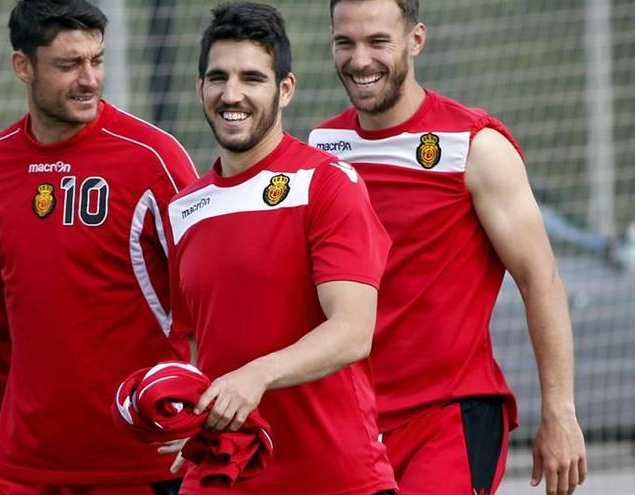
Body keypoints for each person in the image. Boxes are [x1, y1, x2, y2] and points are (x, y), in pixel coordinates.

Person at [308, 1, 588, 494]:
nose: (359, 60)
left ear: (416, 40)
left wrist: (560, 412)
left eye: (378, 42)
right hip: (350, 422)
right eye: (344, 43)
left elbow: (539, 280)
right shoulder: (320, 148)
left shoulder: (474, 145)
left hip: (450, 417)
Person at [163, 3, 398, 494]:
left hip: (334, 478)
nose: (232, 94)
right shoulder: (185, 208)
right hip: (226, 473)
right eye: (218, 77)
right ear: (198, 88)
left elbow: (354, 331)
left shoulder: (328, 184)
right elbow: (197, 346)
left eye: (252, 78)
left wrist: (255, 377)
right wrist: (186, 414)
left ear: (284, 89)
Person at [0, 1, 198, 493]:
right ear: (22, 66)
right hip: (25, 464)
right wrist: (5, 422)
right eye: (69, 64)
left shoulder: (153, 159)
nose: (89, 79)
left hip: (141, 462)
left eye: (96, 60)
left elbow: (206, 299)